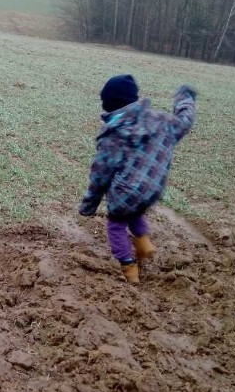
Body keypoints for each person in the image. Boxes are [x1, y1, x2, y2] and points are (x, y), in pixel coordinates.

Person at [79, 74, 197, 284]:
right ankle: (144, 243)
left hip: (126, 192)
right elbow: (185, 122)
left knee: (116, 224)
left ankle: (128, 267)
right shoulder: (161, 121)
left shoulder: (114, 134)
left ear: (109, 105)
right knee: (135, 211)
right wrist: (185, 98)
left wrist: (89, 205)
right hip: (153, 189)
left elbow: (100, 175)